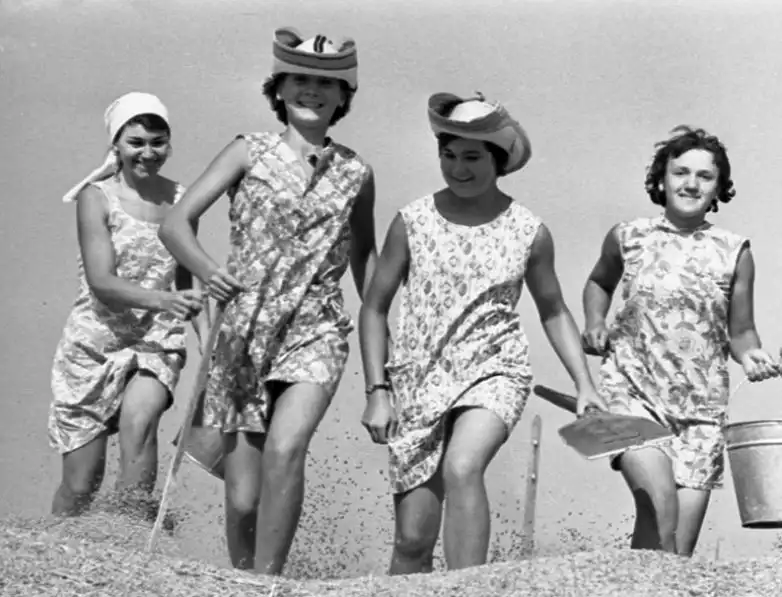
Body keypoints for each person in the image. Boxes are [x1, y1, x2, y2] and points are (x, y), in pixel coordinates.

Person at [157, 27, 379, 575]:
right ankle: (241, 580)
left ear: (344, 96)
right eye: (299, 79)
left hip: (317, 329)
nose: (312, 91)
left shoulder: (357, 172)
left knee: (287, 448)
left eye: (326, 83)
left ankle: (269, 582)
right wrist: (208, 272)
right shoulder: (246, 151)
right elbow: (176, 223)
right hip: (244, 331)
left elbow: (365, 262)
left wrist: (387, 344)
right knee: (243, 499)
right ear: (278, 88)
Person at [358, 92, 606, 575]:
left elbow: (553, 311)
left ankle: (470, 587)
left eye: (472, 157)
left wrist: (584, 384)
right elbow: (374, 307)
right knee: (412, 541)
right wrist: (377, 391)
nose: (458, 168)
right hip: (417, 379)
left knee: (463, 465)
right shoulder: (411, 221)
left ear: (498, 159)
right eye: (449, 155)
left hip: (494, 371)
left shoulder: (529, 231)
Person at [581, 125, 780, 557]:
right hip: (629, 393)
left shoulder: (734, 250)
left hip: (701, 414)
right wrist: (595, 321)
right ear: (661, 179)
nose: (691, 184)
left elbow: (741, 332)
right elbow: (598, 282)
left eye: (704, 176)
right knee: (660, 504)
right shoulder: (627, 236)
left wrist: (752, 357)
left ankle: (629, 585)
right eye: (681, 172)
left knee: (673, 554)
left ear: (719, 188)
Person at [50, 92, 204, 517]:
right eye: (136, 142)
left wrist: (209, 337)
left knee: (140, 420)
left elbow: (188, 273)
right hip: (93, 344)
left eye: (157, 142)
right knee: (81, 483)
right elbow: (101, 282)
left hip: (156, 339)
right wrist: (165, 298)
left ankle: (130, 531)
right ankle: (57, 547)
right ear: (116, 144)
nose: (148, 153)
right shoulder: (95, 197)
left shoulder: (183, 199)